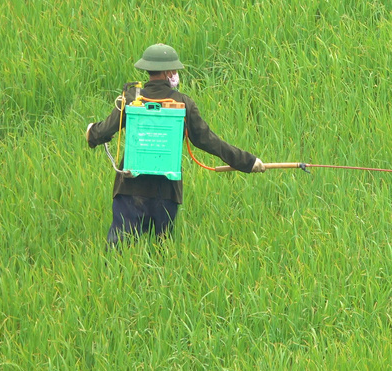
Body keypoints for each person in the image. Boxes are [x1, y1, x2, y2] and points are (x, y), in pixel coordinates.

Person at [86, 43, 265, 245]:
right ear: (169, 72)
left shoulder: (132, 99)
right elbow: (208, 140)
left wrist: (92, 133)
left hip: (130, 188)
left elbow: (103, 131)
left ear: (148, 70)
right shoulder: (183, 103)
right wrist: (248, 162)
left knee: (119, 251)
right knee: (162, 254)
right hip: (166, 191)